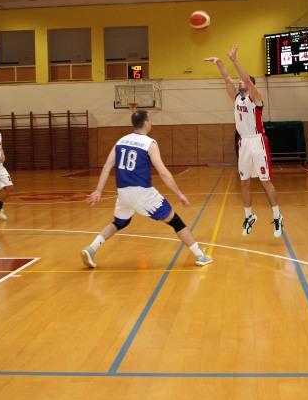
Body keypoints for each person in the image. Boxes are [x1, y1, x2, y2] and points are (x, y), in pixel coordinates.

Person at [82, 110, 212, 268]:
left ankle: (91, 249)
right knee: (176, 221)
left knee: (120, 223)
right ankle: (200, 256)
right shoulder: (149, 143)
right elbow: (163, 172)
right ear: (145, 123)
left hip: (123, 193)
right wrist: (179, 193)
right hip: (143, 193)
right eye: (150, 120)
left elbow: (107, 166)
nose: (151, 123)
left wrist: (98, 190)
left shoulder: (121, 141)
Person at [204, 45, 284, 237]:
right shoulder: (236, 99)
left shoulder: (256, 99)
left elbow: (247, 79)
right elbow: (226, 79)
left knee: (265, 181)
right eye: (239, 81)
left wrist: (234, 60)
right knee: (244, 182)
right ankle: (249, 216)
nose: (239, 82)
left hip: (258, 142)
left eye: (242, 81)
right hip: (244, 143)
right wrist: (219, 63)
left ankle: (277, 217)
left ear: (249, 85)